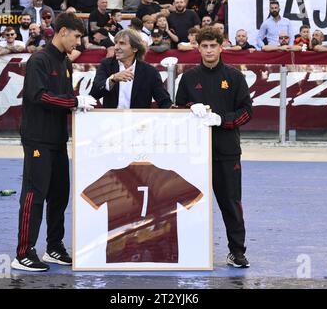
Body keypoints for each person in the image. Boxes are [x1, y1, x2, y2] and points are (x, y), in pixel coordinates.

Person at [11, 12, 97, 272]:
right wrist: (73, 102)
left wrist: (77, 106)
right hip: (37, 138)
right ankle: (24, 252)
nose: (78, 42)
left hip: (59, 139)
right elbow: (38, 96)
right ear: (62, 32)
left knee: (59, 194)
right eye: (77, 36)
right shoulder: (39, 59)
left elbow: (61, 98)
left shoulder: (64, 62)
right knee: (34, 195)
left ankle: (54, 247)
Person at [175, 27, 252, 268]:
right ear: (198, 47)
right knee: (189, 203)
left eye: (213, 46)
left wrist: (223, 119)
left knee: (231, 202)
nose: (209, 50)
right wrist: (189, 108)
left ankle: (237, 252)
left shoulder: (235, 77)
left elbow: (247, 112)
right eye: (204, 46)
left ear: (221, 47)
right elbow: (177, 110)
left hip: (227, 151)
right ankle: (188, 250)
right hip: (194, 153)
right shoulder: (188, 78)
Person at [90, 28, 172, 109]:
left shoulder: (150, 71)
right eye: (116, 43)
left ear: (135, 48)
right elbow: (94, 94)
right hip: (112, 120)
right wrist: (113, 79)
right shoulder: (106, 65)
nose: (116, 47)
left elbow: (165, 102)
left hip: (139, 121)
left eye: (122, 43)